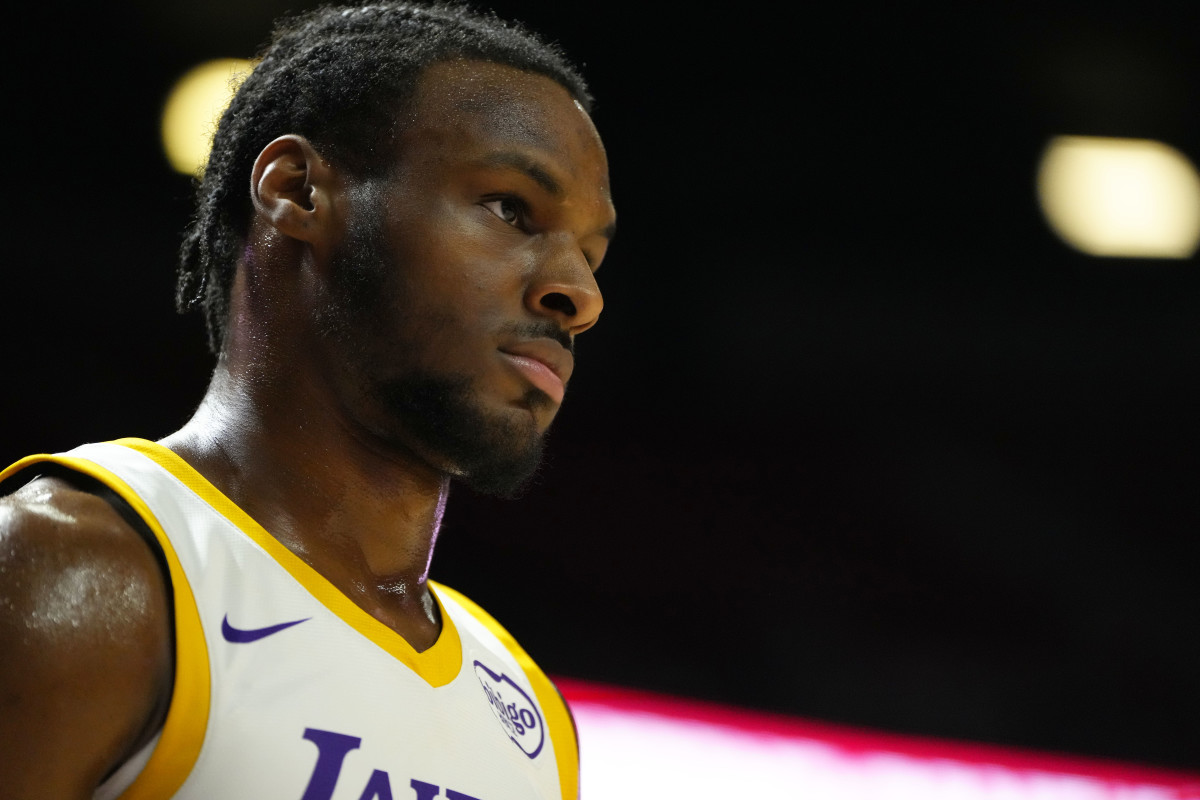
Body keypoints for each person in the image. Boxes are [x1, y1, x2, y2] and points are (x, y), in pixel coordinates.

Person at [0, 3, 615, 798]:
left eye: (592, 254)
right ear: (297, 190)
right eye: (510, 210)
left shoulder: (526, 716)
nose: (581, 293)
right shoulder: (82, 568)